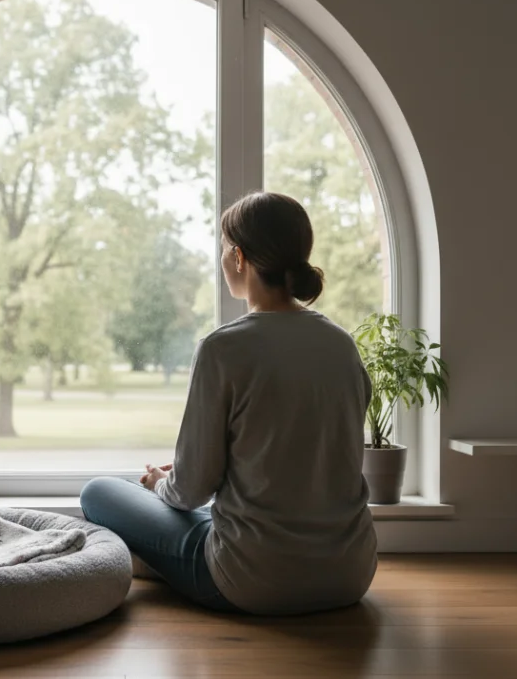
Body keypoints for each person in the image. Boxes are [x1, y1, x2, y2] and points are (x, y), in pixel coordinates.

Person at [79, 191, 377, 615]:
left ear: (238, 257)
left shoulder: (223, 348)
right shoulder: (341, 345)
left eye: (223, 249)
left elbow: (190, 492)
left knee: (100, 493)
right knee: (200, 516)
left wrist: (159, 484)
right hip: (350, 575)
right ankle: (162, 563)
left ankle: (159, 565)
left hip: (253, 581)